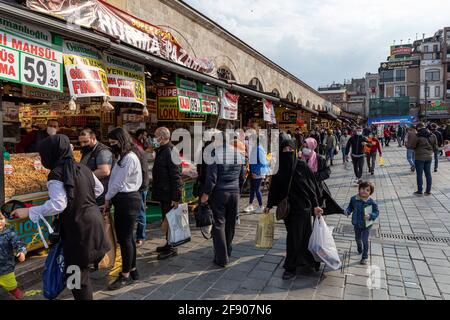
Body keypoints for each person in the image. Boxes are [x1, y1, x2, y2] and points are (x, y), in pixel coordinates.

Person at [13, 134, 109, 300]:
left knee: (77, 276)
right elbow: (99, 189)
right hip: (94, 221)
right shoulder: (83, 167)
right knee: (81, 272)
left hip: (78, 228)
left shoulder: (57, 174)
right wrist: (81, 198)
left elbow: (58, 205)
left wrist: (29, 211)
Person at [265, 133, 324, 280]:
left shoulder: (301, 165)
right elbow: (275, 188)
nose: (287, 152)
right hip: (287, 209)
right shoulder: (278, 167)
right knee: (299, 236)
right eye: (284, 149)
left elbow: (312, 187)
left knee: (294, 237)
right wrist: (269, 205)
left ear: (294, 149)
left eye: (290, 149)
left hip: (303, 207)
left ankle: (290, 267)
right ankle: (307, 261)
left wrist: (316, 205)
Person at [104, 128, 143, 290]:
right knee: (127, 238)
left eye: (114, 142)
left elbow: (118, 182)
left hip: (127, 200)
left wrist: (107, 198)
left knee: (125, 239)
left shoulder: (129, 158)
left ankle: (125, 274)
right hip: (121, 199)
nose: (112, 145)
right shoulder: (122, 157)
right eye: (110, 143)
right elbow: (114, 180)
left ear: (121, 141)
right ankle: (133, 269)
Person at [201, 131, 245, 267]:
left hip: (220, 192)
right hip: (234, 192)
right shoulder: (238, 154)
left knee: (219, 224)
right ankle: (228, 249)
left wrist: (205, 194)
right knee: (230, 223)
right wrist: (238, 190)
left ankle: (222, 257)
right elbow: (242, 176)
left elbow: (211, 178)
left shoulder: (215, 154)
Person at [151, 127, 183, 260]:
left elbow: (176, 176)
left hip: (169, 194)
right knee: (167, 218)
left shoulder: (170, 151)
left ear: (162, 137)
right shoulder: (162, 150)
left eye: (155, 136)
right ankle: (169, 243)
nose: (153, 139)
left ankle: (172, 247)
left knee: (170, 220)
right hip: (163, 192)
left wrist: (176, 197)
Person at [345, 182, 379, 265]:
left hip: (366, 225)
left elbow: (376, 212)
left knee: (365, 240)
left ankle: (365, 257)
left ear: (370, 192)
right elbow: (350, 207)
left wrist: (370, 216)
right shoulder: (354, 199)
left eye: (367, 190)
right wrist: (348, 211)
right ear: (359, 189)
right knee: (357, 238)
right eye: (363, 189)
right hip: (356, 223)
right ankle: (359, 248)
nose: (364, 191)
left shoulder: (371, 202)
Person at [79, 128, 113, 206]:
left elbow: (104, 171)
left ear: (93, 139)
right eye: (81, 142)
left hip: (100, 192)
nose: (82, 145)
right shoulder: (89, 150)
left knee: (101, 215)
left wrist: (83, 177)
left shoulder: (102, 151)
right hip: (92, 190)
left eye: (85, 142)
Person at [0, 212, 26, 300]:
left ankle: (13, 290)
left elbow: (19, 243)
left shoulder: (9, 234)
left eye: (1, 219)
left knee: (10, 284)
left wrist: (21, 251)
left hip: (5, 267)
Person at [409, 123, 437, 196]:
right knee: (428, 174)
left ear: (418, 128)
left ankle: (420, 191)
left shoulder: (417, 136)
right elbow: (435, 147)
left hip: (419, 157)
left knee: (419, 174)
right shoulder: (432, 135)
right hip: (429, 157)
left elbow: (412, 146)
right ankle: (428, 191)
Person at [244, 137, 270, 214]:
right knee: (253, 188)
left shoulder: (258, 149)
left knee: (256, 189)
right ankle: (250, 204)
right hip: (255, 171)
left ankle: (261, 206)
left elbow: (263, 162)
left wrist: (257, 172)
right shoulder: (257, 148)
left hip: (257, 172)